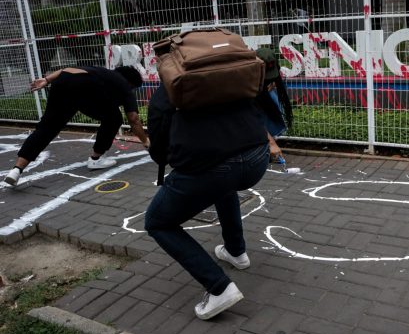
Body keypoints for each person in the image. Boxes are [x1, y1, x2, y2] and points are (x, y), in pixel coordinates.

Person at [144, 83, 269, 320]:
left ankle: (219, 287)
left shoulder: (174, 82)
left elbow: (159, 136)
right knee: (224, 188)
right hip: (257, 156)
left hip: (211, 167)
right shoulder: (226, 70)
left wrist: (166, 156)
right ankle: (236, 252)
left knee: (157, 222)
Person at [3, 66, 150, 186]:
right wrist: (146, 141)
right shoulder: (124, 85)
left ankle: (16, 170)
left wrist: (46, 80)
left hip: (62, 83)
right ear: (131, 83)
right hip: (83, 89)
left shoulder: (99, 71)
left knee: (46, 129)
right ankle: (96, 159)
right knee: (114, 118)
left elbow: (65, 70)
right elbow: (134, 118)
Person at [255, 48, 294, 162]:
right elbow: (252, 118)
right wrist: (271, 143)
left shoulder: (268, 87)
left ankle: (264, 146)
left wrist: (270, 84)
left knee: (271, 98)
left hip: (259, 97)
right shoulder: (243, 83)